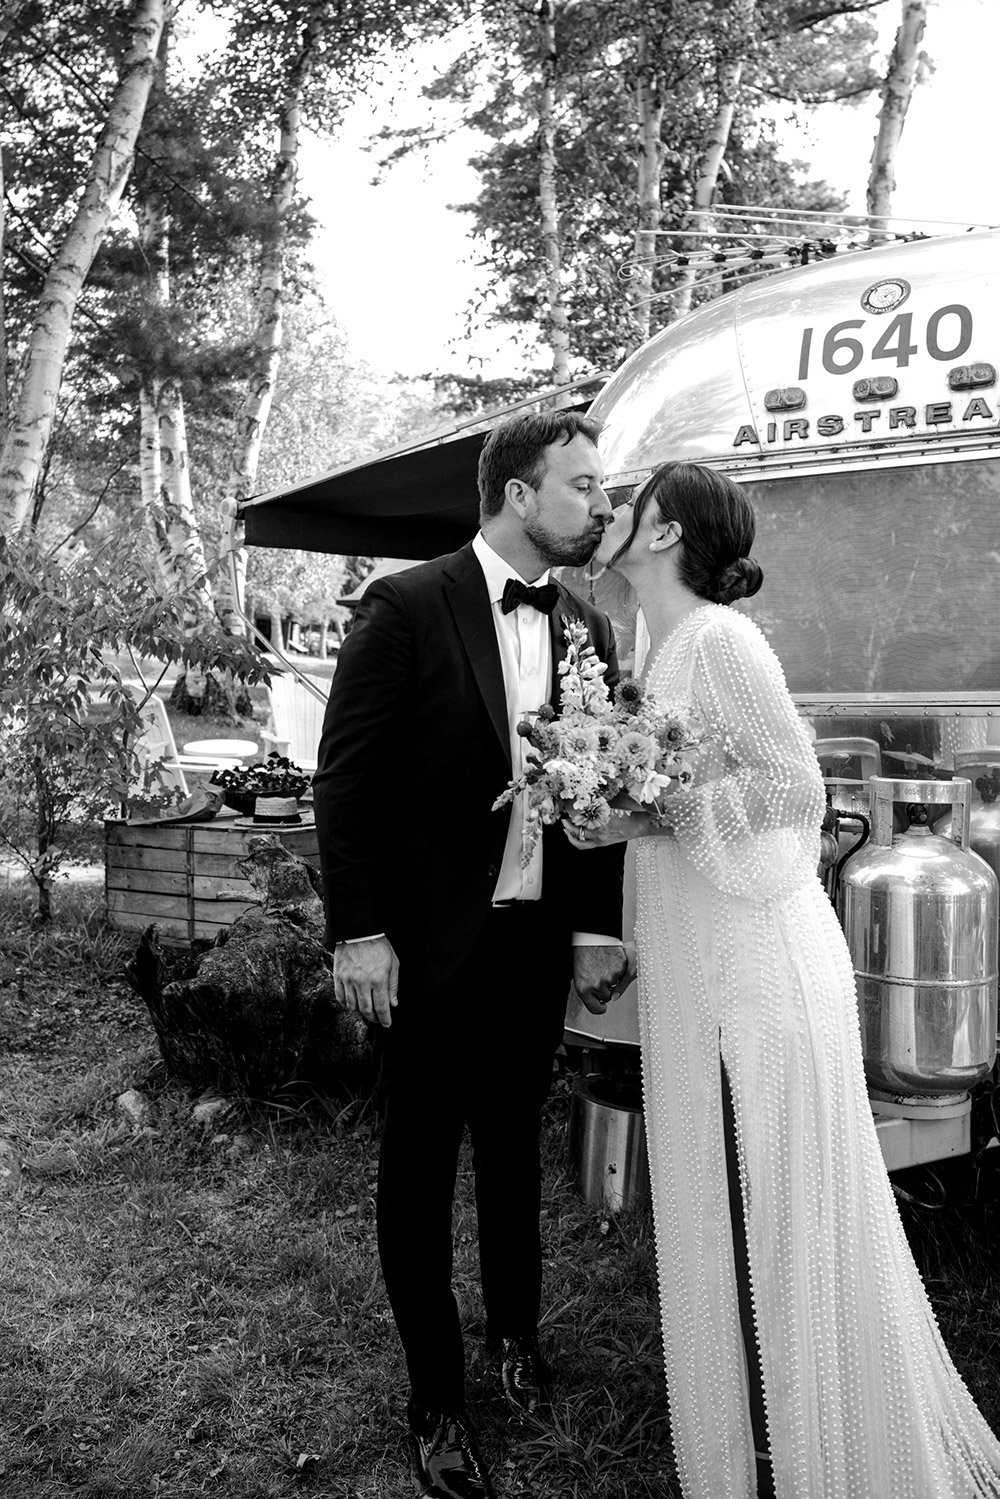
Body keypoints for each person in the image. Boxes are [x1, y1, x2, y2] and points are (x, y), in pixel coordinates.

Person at [568, 461, 1000, 1499]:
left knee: (788, 1195)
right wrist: (616, 812)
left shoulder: (720, 639)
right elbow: (680, 787)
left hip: (757, 949)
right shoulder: (646, 644)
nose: (603, 510)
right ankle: (733, 1449)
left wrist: (659, 812)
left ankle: (831, 1446)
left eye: (621, 500)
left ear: (665, 531)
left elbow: (793, 788)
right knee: (707, 1186)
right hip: (688, 938)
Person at [311, 410, 628, 1499]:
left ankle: (516, 1338)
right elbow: (343, 782)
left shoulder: (588, 625)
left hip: (534, 945)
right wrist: (357, 930)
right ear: (518, 494)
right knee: (417, 1171)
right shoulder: (405, 604)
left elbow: (598, 789)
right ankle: (437, 1401)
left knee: (509, 1154)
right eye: (582, 486)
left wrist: (592, 928)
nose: (599, 505)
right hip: (428, 948)